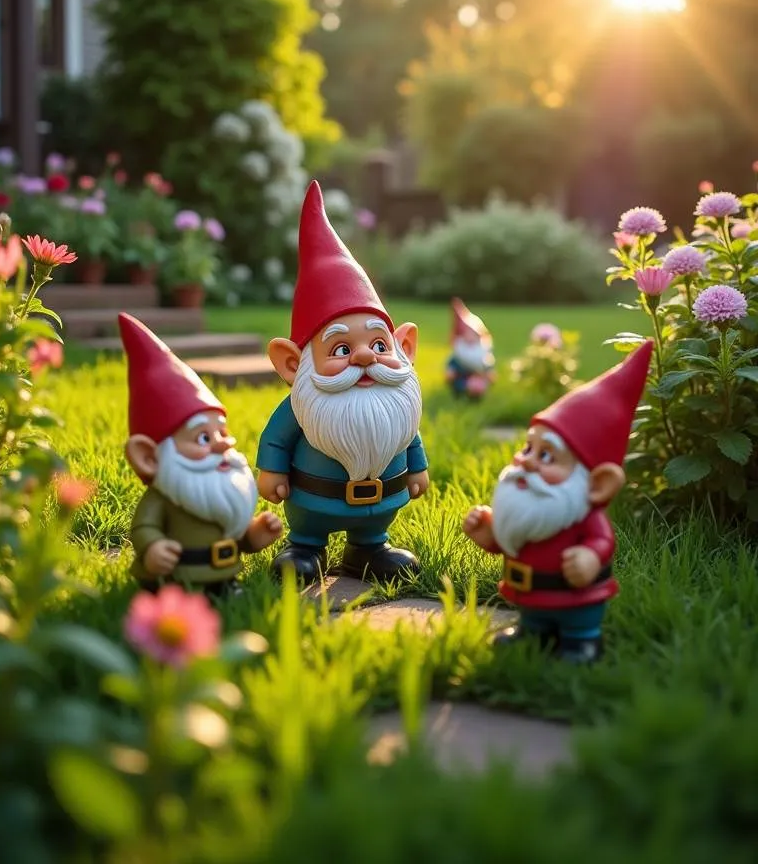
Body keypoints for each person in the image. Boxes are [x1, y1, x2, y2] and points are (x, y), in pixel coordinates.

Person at [257, 181, 429, 585]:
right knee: (306, 540)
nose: (366, 357)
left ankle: (369, 548)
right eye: (340, 349)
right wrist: (272, 472)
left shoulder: (395, 401)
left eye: (378, 343)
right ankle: (306, 546)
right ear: (293, 364)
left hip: (384, 497)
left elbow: (409, 437)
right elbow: (278, 439)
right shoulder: (304, 407)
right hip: (313, 499)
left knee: (373, 539)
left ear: (404, 345)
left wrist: (417, 470)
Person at [463, 340, 653, 663]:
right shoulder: (534, 501)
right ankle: (532, 630)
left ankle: (581, 641)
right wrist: (493, 534)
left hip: (575, 597)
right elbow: (516, 536)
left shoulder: (583, 515)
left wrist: (592, 557)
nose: (527, 462)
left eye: (547, 455)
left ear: (597, 484)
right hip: (527, 591)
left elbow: (602, 540)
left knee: (578, 624)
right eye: (527, 449)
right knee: (533, 621)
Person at [119, 313, 282, 600]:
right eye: (204, 438)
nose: (221, 445)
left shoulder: (219, 490)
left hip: (225, 570)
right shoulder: (164, 497)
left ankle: (225, 586)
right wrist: (154, 547)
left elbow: (235, 528)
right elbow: (144, 526)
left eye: (221, 433)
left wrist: (255, 533)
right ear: (149, 457)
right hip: (178, 577)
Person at [445, 297, 495, 398]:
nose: (470, 337)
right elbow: (453, 363)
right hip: (462, 378)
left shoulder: (482, 351)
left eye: (473, 334)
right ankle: (463, 393)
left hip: (478, 377)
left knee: (478, 384)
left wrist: (489, 373)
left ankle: (477, 393)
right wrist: (451, 372)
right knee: (462, 385)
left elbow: (487, 365)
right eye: (466, 334)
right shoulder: (460, 352)